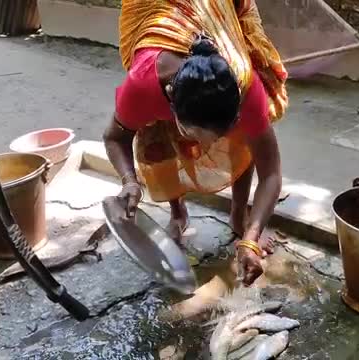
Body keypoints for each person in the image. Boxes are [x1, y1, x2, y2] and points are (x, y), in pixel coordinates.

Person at [103, 0, 288, 286]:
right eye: (194, 135)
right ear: (170, 101)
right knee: (158, 145)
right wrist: (129, 181)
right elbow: (115, 137)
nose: (203, 149)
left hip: (210, 10)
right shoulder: (142, 86)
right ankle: (178, 212)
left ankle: (239, 214)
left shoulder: (245, 87)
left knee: (244, 141)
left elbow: (271, 173)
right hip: (161, 13)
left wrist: (251, 240)